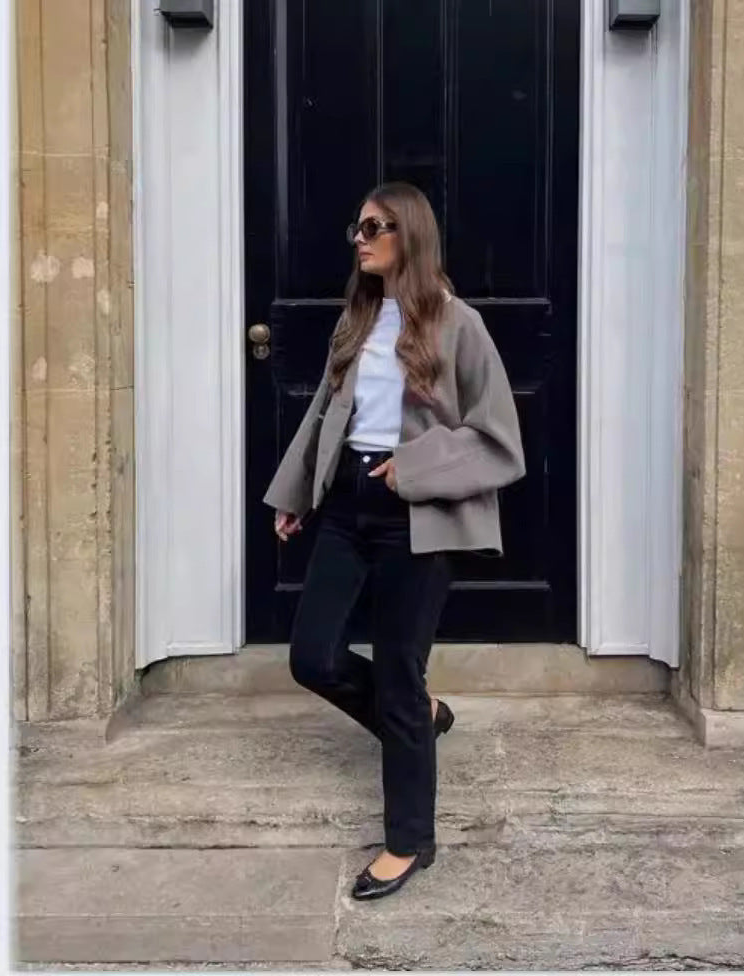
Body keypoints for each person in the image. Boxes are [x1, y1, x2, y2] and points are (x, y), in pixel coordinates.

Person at [263, 182, 525, 900]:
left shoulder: (459, 324)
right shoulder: (357, 318)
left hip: (418, 512)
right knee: (313, 656)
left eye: (376, 226)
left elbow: (499, 439)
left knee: (399, 672)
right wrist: (295, 494)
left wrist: (414, 466)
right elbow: (324, 412)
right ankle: (420, 719)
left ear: (411, 235)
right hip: (348, 503)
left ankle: (409, 841)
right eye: (358, 226)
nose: (360, 237)